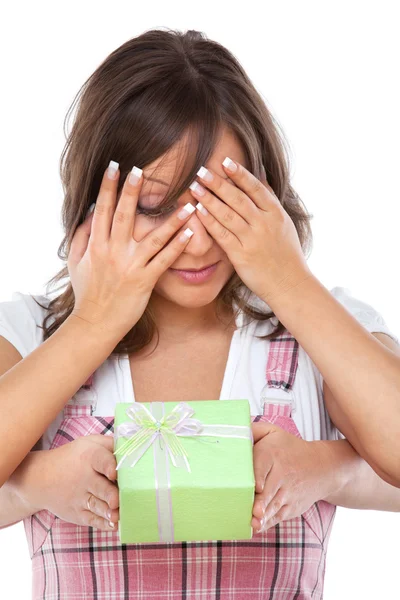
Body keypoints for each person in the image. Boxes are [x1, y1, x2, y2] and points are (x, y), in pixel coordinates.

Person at [1, 27, 400, 600]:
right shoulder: (33, 332)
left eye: (222, 203)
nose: (194, 243)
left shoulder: (316, 330)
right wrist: (92, 326)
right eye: (156, 208)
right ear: (95, 204)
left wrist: (329, 467)